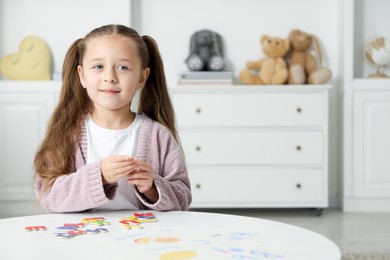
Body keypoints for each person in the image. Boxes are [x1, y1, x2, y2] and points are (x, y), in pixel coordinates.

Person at [34, 24, 192, 213]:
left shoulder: (158, 136)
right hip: (82, 238)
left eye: (123, 67)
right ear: (82, 75)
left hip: (143, 237)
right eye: (98, 66)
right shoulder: (66, 134)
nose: (110, 77)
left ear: (142, 77)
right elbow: (49, 197)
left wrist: (152, 187)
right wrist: (98, 176)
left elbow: (182, 199)